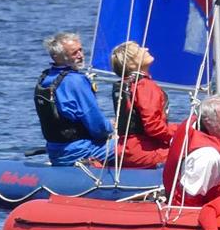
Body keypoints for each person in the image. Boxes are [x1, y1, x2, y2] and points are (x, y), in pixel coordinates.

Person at [34, 31, 115, 166]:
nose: (80, 56)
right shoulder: (76, 81)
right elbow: (98, 128)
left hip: (55, 150)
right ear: (57, 57)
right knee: (132, 146)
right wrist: (112, 127)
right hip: (81, 151)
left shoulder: (45, 79)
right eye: (74, 53)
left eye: (80, 50)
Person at [162, 94, 220, 206]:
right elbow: (190, 201)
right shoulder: (207, 157)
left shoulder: (192, 125)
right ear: (208, 122)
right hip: (195, 213)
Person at [110, 41, 177, 168]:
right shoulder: (145, 85)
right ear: (131, 63)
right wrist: (178, 137)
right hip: (144, 150)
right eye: (139, 49)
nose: (146, 48)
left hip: (124, 150)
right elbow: (153, 126)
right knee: (195, 151)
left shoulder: (125, 84)